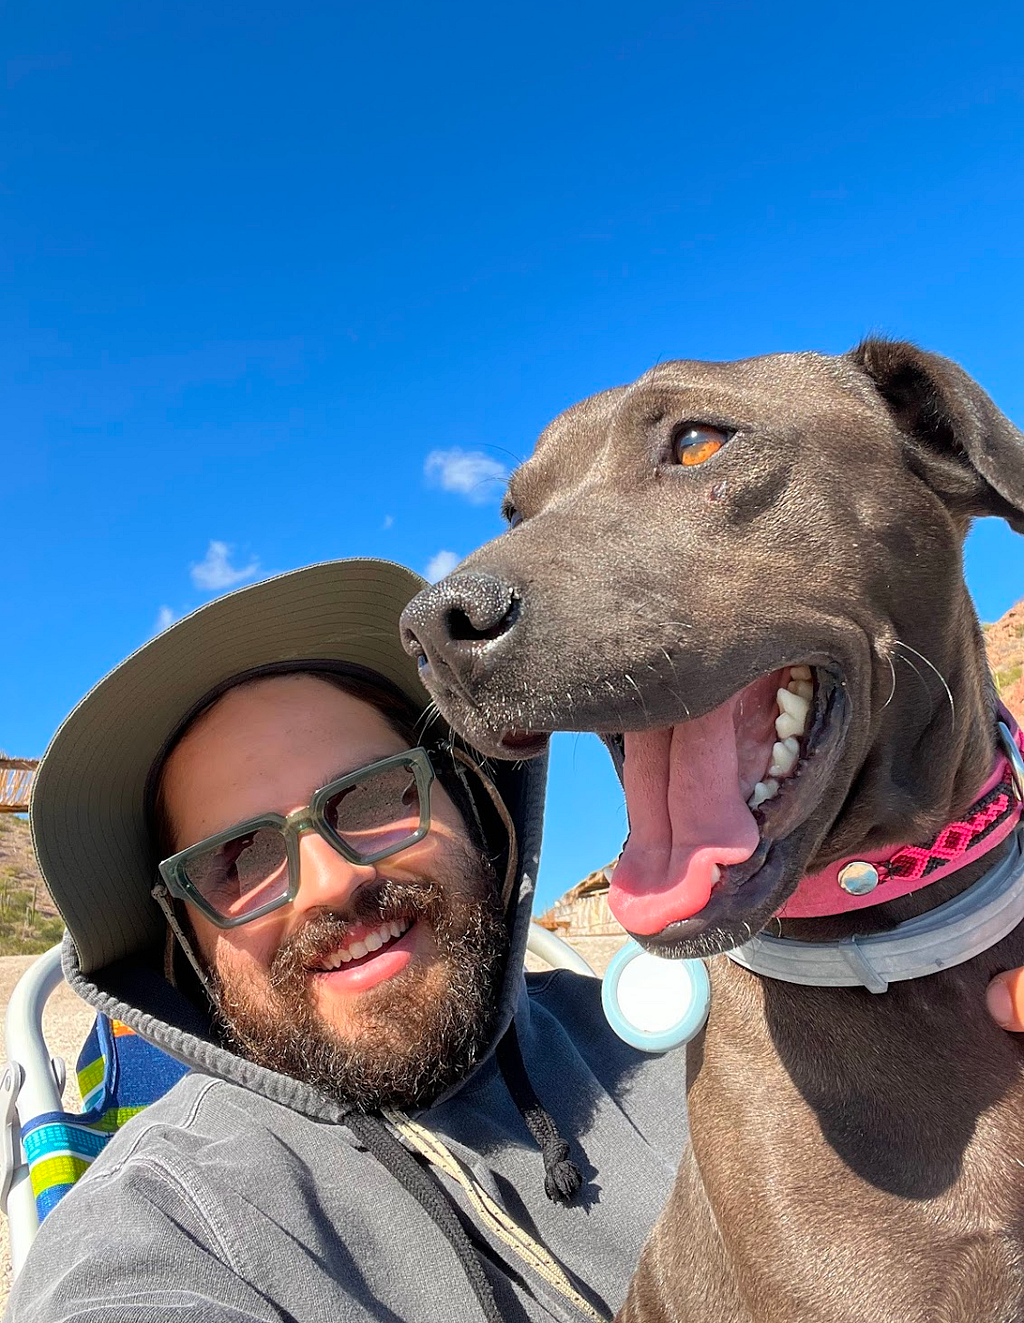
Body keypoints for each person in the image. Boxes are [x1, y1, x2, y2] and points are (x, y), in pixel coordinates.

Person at [9, 558, 688, 1323]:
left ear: (467, 801)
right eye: (241, 859)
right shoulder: (167, 1223)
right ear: (187, 943)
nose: (330, 880)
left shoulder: (692, 1053)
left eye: (371, 797)